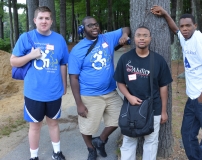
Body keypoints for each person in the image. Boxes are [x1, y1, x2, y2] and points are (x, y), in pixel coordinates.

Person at [151, 5, 202, 160]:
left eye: (188, 25)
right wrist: (166, 14)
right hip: (192, 98)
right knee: (187, 133)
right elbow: (175, 30)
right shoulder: (184, 36)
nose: (184, 29)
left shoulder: (200, 41)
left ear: (195, 26)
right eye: (183, 26)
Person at [10, 6, 68, 160]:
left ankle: (57, 152)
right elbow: (13, 61)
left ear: (51, 21)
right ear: (35, 20)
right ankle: (34, 156)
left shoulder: (59, 39)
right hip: (33, 92)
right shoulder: (26, 37)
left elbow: (63, 63)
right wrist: (30, 56)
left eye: (47, 18)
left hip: (54, 91)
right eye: (41, 18)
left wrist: (64, 85)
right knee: (35, 126)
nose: (44, 21)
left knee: (53, 123)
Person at [68, 16, 130, 160]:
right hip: (89, 95)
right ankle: (91, 149)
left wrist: (125, 35)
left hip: (110, 92)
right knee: (87, 126)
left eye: (96, 24)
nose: (94, 27)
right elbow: (73, 78)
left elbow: (126, 29)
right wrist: (79, 104)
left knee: (122, 118)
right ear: (83, 30)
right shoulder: (77, 50)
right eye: (90, 26)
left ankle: (100, 140)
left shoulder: (106, 38)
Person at [114, 26, 172, 160]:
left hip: (154, 108)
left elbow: (164, 87)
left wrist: (163, 111)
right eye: (139, 35)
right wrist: (129, 97)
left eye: (145, 35)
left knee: (151, 142)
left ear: (150, 38)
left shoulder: (158, 60)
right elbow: (120, 82)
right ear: (134, 38)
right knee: (129, 140)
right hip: (131, 107)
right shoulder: (125, 58)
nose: (142, 38)